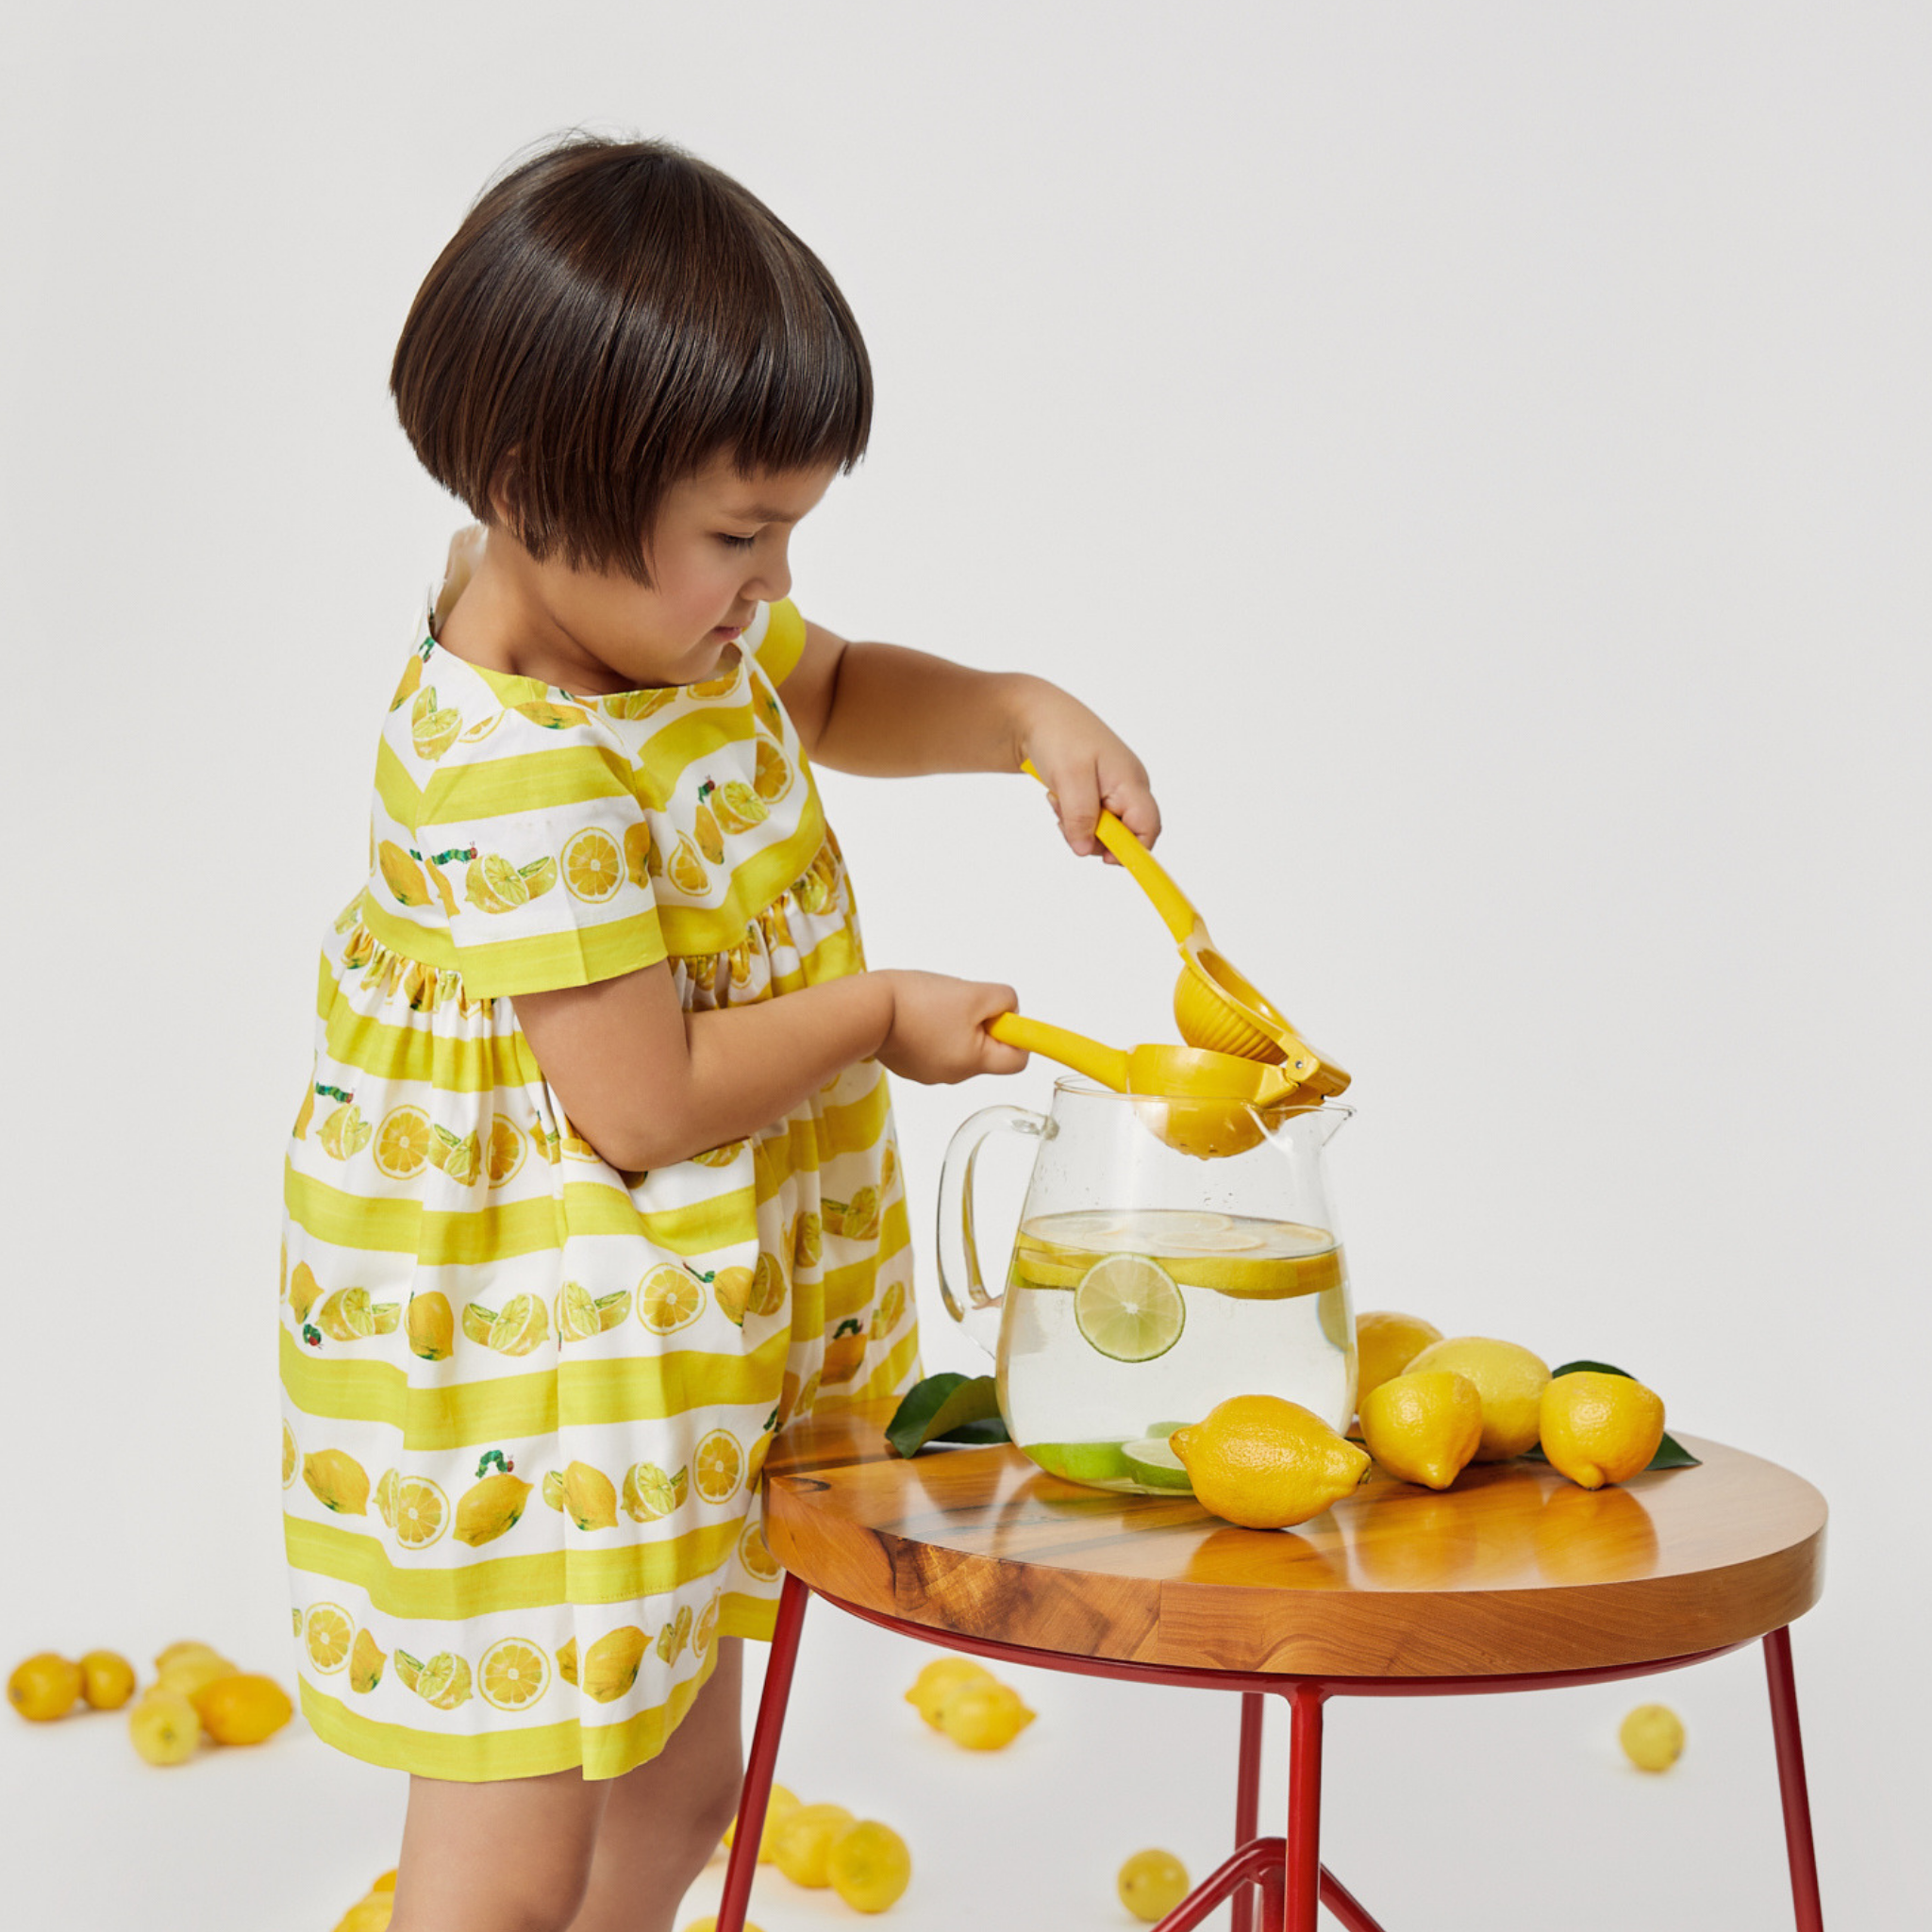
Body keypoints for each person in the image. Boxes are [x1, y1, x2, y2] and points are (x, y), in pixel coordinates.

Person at [279, 135, 1160, 1932]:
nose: (768, 587)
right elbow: (643, 1102)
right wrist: (874, 1016)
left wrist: (1013, 713)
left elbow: (824, 688)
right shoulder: (521, 762)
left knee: (683, 1786)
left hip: (661, 1345)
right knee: (511, 1844)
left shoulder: (663, 618)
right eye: (742, 538)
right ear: (537, 490)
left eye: (789, 538)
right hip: (522, 1366)